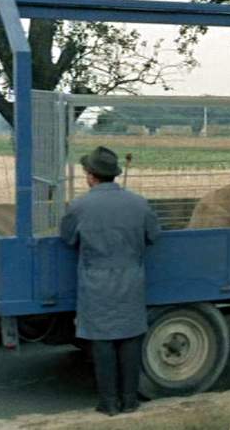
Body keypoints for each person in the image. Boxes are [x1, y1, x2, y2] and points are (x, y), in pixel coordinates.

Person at [60, 146, 160, 416]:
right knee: (130, 338)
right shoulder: (139, 203)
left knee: (102, 340)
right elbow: (153, 235)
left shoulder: (79, 206)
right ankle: (130, 400)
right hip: (131, 279)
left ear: (91, 176)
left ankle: (108, 403)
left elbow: (68, 238)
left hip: (96, 283)